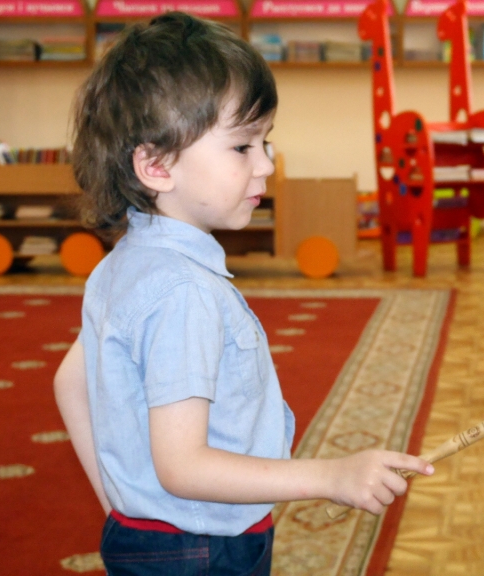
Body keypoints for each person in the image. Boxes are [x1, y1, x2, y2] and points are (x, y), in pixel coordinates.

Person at [53, 12, 434, 574]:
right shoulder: (183, 291)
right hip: (204, 549)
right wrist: (330, 476)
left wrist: (121, 508)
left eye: (266, 141)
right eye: (242, 147)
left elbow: (69, 383)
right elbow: (183, 467)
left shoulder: (124, 262)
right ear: (155, 165)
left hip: (157, 539)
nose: (266, 164)